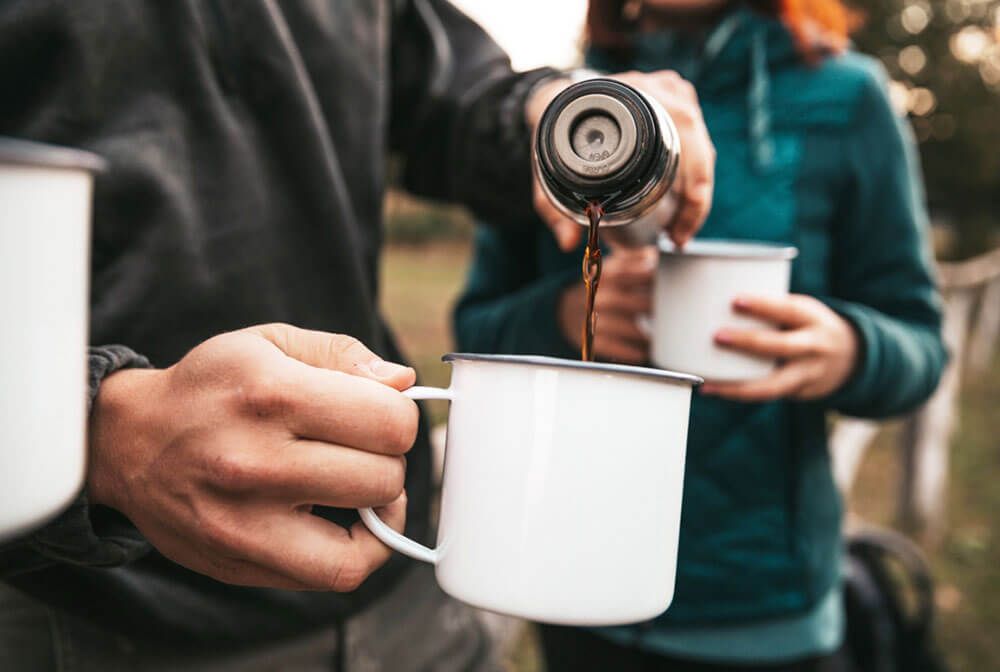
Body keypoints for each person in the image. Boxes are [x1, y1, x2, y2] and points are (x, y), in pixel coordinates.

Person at [0, 1, 716, 670]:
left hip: (402, 600)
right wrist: (100, 435)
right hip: (92, 611)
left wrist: (543, 108)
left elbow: (453, 95)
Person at [454, 0, 947, 670]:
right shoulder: (561, 115)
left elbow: (920, 345)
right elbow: (474, 330)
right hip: (575, 583)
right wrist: (564, 317)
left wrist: (850, 351)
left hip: (764, 608)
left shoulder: (848, 99)